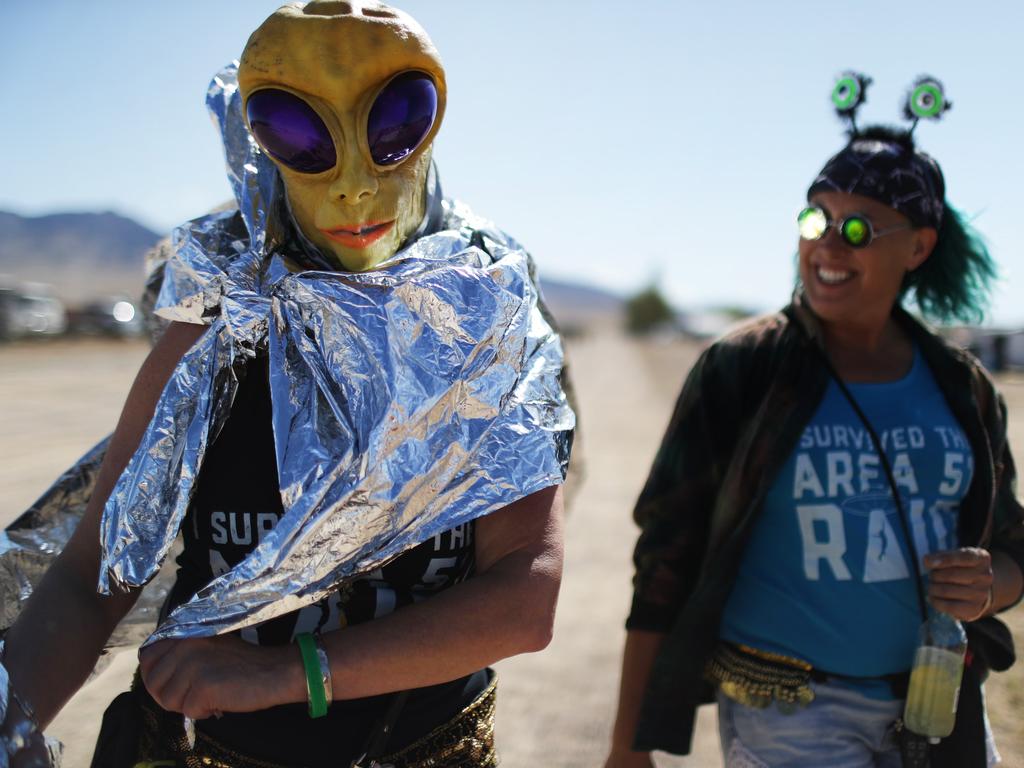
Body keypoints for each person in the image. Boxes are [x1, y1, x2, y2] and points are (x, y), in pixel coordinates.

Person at [0, 3, 573, 766]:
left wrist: (283, 674)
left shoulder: (489, 322)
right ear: (261, 144)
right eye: (301, 136)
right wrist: (11, 716)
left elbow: (525, 597)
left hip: (421, 747)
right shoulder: (218, 327)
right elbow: (92, 575)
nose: (354, 185)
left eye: (396, 122)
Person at [604, 74, 1024, 768]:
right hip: (789, 714)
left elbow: (1012, 545)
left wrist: (991, 586)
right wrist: (627, 749)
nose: (827, 244)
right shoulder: (743, 369)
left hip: (942, 704)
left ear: (917, 247)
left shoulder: (962, 386)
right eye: (814, 219)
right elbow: (663, 561)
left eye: (856, 228)